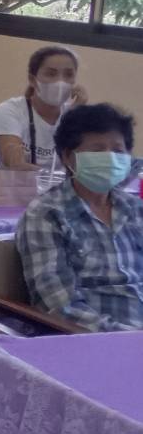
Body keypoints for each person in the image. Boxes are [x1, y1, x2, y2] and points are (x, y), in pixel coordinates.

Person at [16, 103, 141, 333]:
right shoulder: (47, 214)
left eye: (118, 150)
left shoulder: (136, 209)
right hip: (95, 341)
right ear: (68, 157)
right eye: (97, 150)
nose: (110, 158)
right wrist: (128, 337)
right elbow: (58, 306)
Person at [0, 46, 88, 169]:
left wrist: (76, 116)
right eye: (51, 74)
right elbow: (15, 164)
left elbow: (80, 168)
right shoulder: (10, 110)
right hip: (17, 186)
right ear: (32, 80)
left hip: (59, 187)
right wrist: (50, 180)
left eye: (68, 75)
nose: (60, 81)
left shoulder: (74, 114)